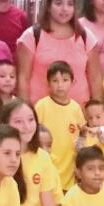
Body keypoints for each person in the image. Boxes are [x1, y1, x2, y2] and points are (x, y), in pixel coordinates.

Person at [16, 0, 101, 106]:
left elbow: (96, 79)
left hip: (79, 114)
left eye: (70, 4)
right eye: (59, 3)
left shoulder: (85, 36)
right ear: (49, 7)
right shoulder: (32, 36)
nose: (65, 9)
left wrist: (96, 111)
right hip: (41, 114)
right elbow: (23, 79)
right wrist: (25, 111)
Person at [34, 61, 86, 191]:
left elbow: (81, 137)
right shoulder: (42, 106)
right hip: (45, 167)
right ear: (48, 83)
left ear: (72, 82)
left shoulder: (75, 108)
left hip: (68, 170)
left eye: (65, 80)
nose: (60, 85)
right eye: (55, 81)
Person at [80, 99, 104, 183]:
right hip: (88, 179)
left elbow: (103, 137)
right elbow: (80, 150)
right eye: (90, 118)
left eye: (98, 117)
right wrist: (82, 135)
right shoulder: (88, 133)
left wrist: (94, 131)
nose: (94, 121)